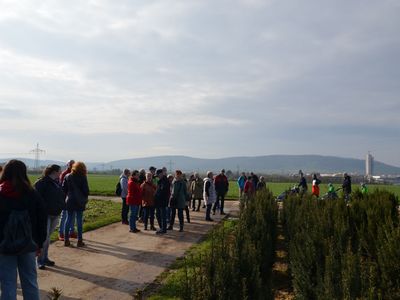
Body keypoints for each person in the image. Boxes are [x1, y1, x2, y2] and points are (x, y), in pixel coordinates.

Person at [0, 160, 47, 300]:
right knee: (30, 281)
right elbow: (41, 220)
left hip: (4, 245)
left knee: (8, 283)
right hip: (29, 244)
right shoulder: (33, 194)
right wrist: (40, 243)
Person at [34, 164, 65, 270]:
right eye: (60, 171)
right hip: (45, 215)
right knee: (44, 239)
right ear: (54, 171)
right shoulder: (41, 183)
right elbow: (37, 199)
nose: (61, 172)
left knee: (48, 238)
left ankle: (45, 258)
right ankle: (40, 261)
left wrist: (61, 206)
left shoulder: (57, 182)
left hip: (55, 214)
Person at [62, 162, 89, 247]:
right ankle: (79, 241)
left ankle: (66, 240)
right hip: (79, 201)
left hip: (69, 200)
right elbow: (86, 191)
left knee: (68, 219)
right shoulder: (83, 177)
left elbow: (64, 189)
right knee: (79, 220)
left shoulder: (67, 176)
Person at [58, 160, 76, 241]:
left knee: (73, 216)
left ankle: (71, 232)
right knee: (64, 215)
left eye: (73, 164)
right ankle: (61, 233)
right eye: (70, 164)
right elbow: (62, 187)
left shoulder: (75, 173)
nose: (71, 166)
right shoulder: (64, 174)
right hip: (65, 198)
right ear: (68, 165)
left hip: (73, 198)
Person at [154, 169, 170, 234]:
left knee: (162, 215)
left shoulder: (164, 181)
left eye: (157, 175)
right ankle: (162, 228)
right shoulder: (162, 180)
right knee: (158, 215)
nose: (157, 176)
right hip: (160, 201)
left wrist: (156, 195)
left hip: (162, 201)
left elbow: (162, 191)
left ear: (161, 174)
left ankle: (163, 229)